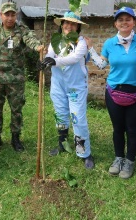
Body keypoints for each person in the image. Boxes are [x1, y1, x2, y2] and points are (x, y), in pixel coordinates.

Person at [85, 7, 136, 179]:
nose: (124, 22)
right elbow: (101, 65)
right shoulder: (109, 43)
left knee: (132, 129)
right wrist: (91, 49)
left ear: (134, 22)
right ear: (115, 24)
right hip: (114, 91)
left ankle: (130, 161)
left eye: (128, 19)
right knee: (118, 129)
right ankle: (118, 158)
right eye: (120, 20)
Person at [0, 2, 44, 153]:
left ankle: (15, 138)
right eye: (7, 15)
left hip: (15, 78)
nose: (10, 18)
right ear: (1, 15)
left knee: (16, 109)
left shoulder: (22, 30)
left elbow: (30, 39)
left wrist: (37, 46)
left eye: (13, 14)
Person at [39, 11, 95, 170]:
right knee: (61, 116)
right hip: (58, 85)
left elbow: (74, 58)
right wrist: (44, 62)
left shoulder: (81, 42)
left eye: (73, 24)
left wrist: (54, 61)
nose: (69, 26)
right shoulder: (55, 41)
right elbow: (49, 55)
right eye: (66, 23)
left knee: (78, 119)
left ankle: (84, 152)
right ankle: (62, 144)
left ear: (78, 27)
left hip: (76, 87)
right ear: (62, 24)